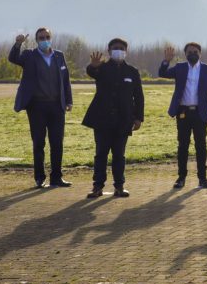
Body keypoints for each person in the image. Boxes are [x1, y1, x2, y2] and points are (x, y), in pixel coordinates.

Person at [9, 28, 73, 188]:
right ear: (36, 40)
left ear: (51, 38)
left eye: (47, 37)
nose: (45, 39)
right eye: (41, 38)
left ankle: (56, 177)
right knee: (38, 143)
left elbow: (65, 80)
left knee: (57, 143)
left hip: (57, 106)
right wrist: (18, 44)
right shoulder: (29, 55)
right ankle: (39, 177)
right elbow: (13, 58)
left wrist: (68, 100)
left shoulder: (59, 56)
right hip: (37, 106)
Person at [82, 39, 145, 198]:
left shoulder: (132, 71)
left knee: (119, 155)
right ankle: (97, 187)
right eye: (115, 48)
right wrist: (93, 66)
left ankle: (119, 186)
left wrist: (138, 118)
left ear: (126, 51)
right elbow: (91, 72)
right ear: (109, 51)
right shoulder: (102, 68)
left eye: (122, 48)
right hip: (102, 119)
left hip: (123, 120)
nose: (119, 50)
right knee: (101, 154)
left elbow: (138, 96)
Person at [158, 42, 207, 189]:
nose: (193, 54)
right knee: (183, 146)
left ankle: (202, 178)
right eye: (190, 52)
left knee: (201, 146)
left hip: (200, 113)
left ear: (200, 53)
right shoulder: (180, 68)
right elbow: (162, 73)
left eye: (196, 51)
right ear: (185, 54)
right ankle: (181, 178)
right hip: (183, 112)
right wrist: (166, 61)